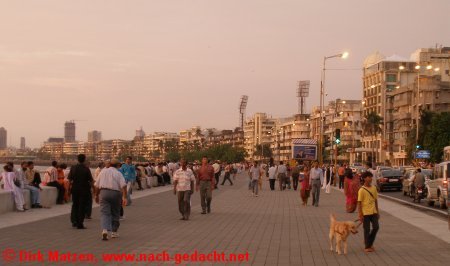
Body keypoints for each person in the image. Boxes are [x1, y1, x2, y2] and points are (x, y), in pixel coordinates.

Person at [95, 159, 127, 240]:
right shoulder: (118, 173)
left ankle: (105, 230)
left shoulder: (103, 172)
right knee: (115, 213)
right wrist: (124, 197)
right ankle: (114, 232)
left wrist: (96, 195)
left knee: (105, 213)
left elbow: (97, 185)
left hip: (104, 193)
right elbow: (123, 185)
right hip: (116, 193)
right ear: (117, 166)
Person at [68, 154, 94, 229]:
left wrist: (68, 190)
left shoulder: (73, 168)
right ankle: (80, 223)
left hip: (75, 189)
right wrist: (94, 189)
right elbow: (91, 180)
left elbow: (70, 180)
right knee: (82, 206)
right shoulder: (86, 169)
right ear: (84, 159)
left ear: (77, 159)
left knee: (75, 205)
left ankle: (74, 221)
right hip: (84, 190)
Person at [358, 171, 380, 253]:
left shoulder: (374, 188)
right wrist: (360, 214)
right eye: (369, 177)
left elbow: (375, 200)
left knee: (376, 227)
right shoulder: (361, 190)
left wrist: (377, 211)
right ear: (364, 178)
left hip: (373, 211)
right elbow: (359, 203)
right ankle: (367, 246)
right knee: (366, 229)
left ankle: (368, 241)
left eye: (371, 177)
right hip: (365, 212)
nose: (371, 178)